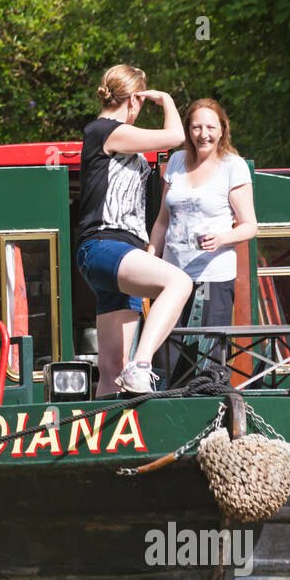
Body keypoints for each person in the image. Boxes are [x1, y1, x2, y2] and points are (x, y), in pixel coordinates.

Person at [76, 64, 192, 393]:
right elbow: (175, 137)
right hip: (103, 246)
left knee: (112, 367)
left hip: (121, 250)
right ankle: (142, 366)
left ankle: (100, 440)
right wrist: (167, 100)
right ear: (133, 101)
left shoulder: (117, 135)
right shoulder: (105, 130)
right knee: (179, 282)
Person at [150, 98, 258, 381]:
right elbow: (162, 220)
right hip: (172, 275)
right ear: (188, 130)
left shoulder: (233, 166)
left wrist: (222, 238)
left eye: (210, 127)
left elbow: (249, 226)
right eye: (196, 127)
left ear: (222, 130)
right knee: (170, 354)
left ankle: (211, 414)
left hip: (213, 277)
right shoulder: (175, 162)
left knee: (207, 361)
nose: (203, 134)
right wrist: (150, 255)